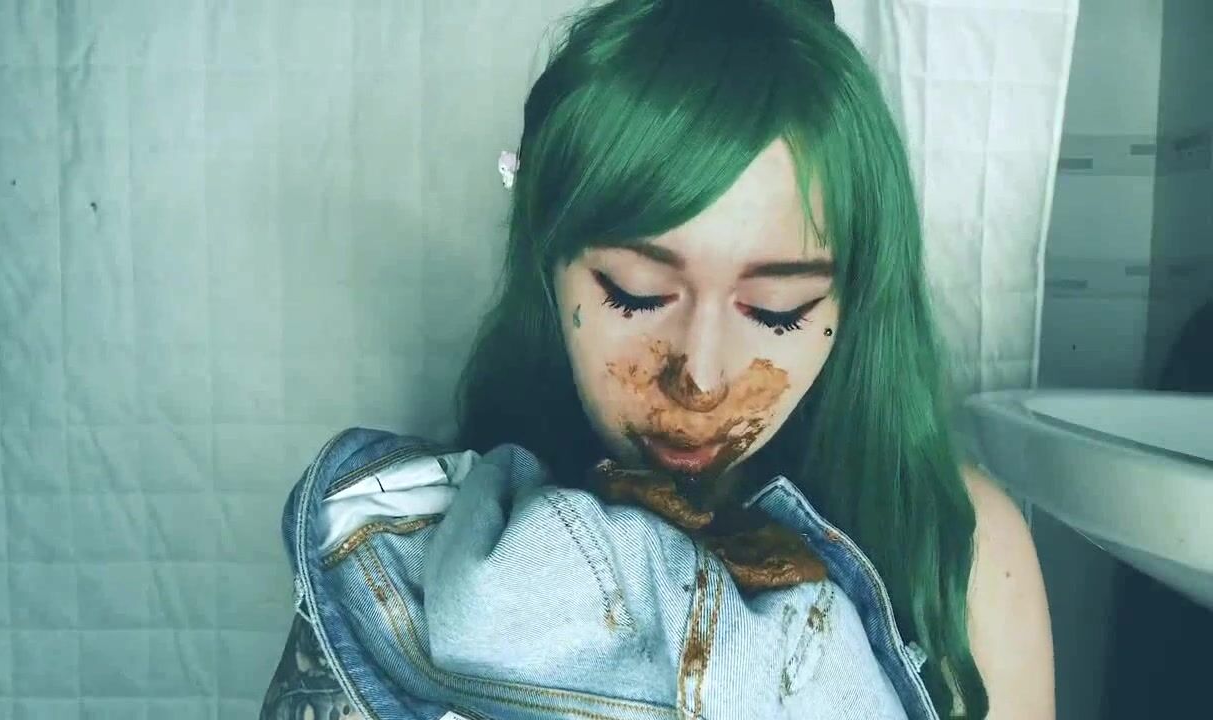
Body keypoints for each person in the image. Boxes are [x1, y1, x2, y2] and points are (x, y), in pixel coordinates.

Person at [260, 0, 1054, 718]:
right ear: (546, 266)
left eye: (778, 309)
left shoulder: (961, 546)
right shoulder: (414, 549)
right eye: (636, 295)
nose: (701, 378)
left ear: (853, 300)